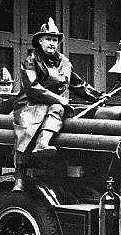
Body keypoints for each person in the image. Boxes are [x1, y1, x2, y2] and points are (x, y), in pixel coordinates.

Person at [12, 17, 101, 191]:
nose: (52, 43)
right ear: (40, 41)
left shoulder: (65, 63)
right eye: (48, 39)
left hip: (54, 105)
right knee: (25, 128)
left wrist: (97, 97)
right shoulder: (31, 59)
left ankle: (43, 144)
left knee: (57, 109)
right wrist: (59, 98)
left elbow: (78, 85)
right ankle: (19, 177)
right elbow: (32, 87)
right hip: (30, 103)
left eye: (55, 40)